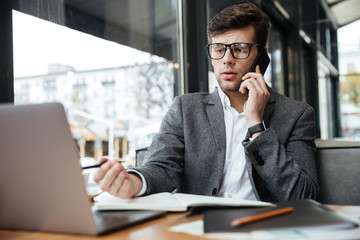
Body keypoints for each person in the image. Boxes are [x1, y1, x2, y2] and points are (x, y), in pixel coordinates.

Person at [93, 3, 318, 202]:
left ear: (262, 55)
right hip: (197, 228)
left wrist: (257, 126)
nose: (227, 59)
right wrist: (133, 182)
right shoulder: (185, 109)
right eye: (219, 49)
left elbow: (302, 195)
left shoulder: (297, 114)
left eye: (239, 49)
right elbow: (161, 167)